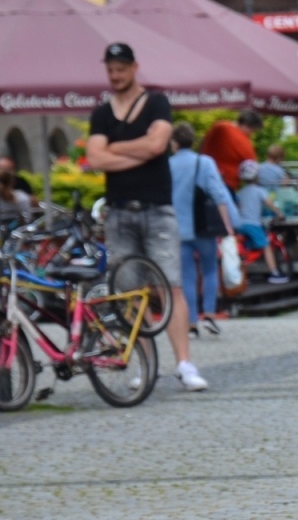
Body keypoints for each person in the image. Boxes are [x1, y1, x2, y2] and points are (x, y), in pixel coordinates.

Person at [84, 41, 206, 392]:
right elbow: (95, 158)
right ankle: (147, 365)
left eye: (121, 69)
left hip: (157, 209)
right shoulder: (102, 112)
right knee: (129, 292)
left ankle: (185, 364)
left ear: (135, 68)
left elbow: (157, 146)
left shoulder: (156, 103)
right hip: (119, 212)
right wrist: (141, 151)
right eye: (110, 69)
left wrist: (115, 149)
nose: (115, 75)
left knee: (170, 286)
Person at [168, 121, 236, 336]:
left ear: (174, 143)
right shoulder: (205, 163)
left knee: (187, 275)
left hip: (178, 228)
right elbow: (218, 194)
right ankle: (209, 313)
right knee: (209, 270)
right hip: (205, 227)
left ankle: (191, 322)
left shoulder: (168, 165)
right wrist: (227, 225)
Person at [232, 159, 287, 284]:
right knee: (266, 246)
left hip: (240, 224)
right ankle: (274, 273)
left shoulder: (239, 193)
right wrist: (279, 213)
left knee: (246, 250)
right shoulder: (260, 191)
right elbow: (270, 204)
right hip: (253, 224)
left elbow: (238, 207)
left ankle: (245, 274)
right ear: (257, 175)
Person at [202, 109, 262, 192]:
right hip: (226, 184)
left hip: (204, 177)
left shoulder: (219, 126)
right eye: (252, 131)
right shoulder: (244, 142)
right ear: (247, 126)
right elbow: (253, 168)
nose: (251, 134)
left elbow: (203, 144)